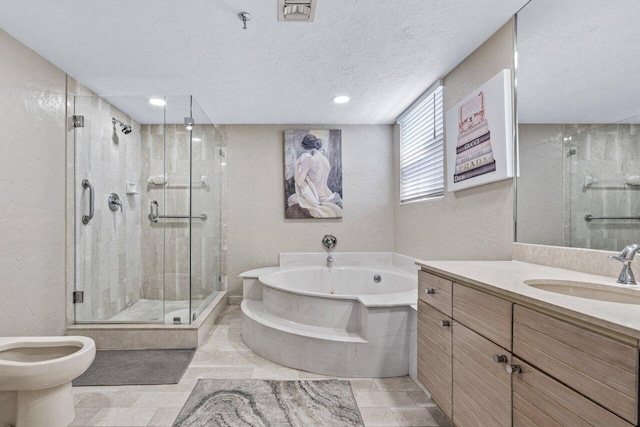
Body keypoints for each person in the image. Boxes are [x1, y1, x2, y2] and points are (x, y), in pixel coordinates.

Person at [287, 134, 343, 218]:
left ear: (307, 148)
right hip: (329, 195)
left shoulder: (308, 160)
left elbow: (299, 182)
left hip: (318, 198)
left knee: (291, 200)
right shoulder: (325, 159)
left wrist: (296, 166)